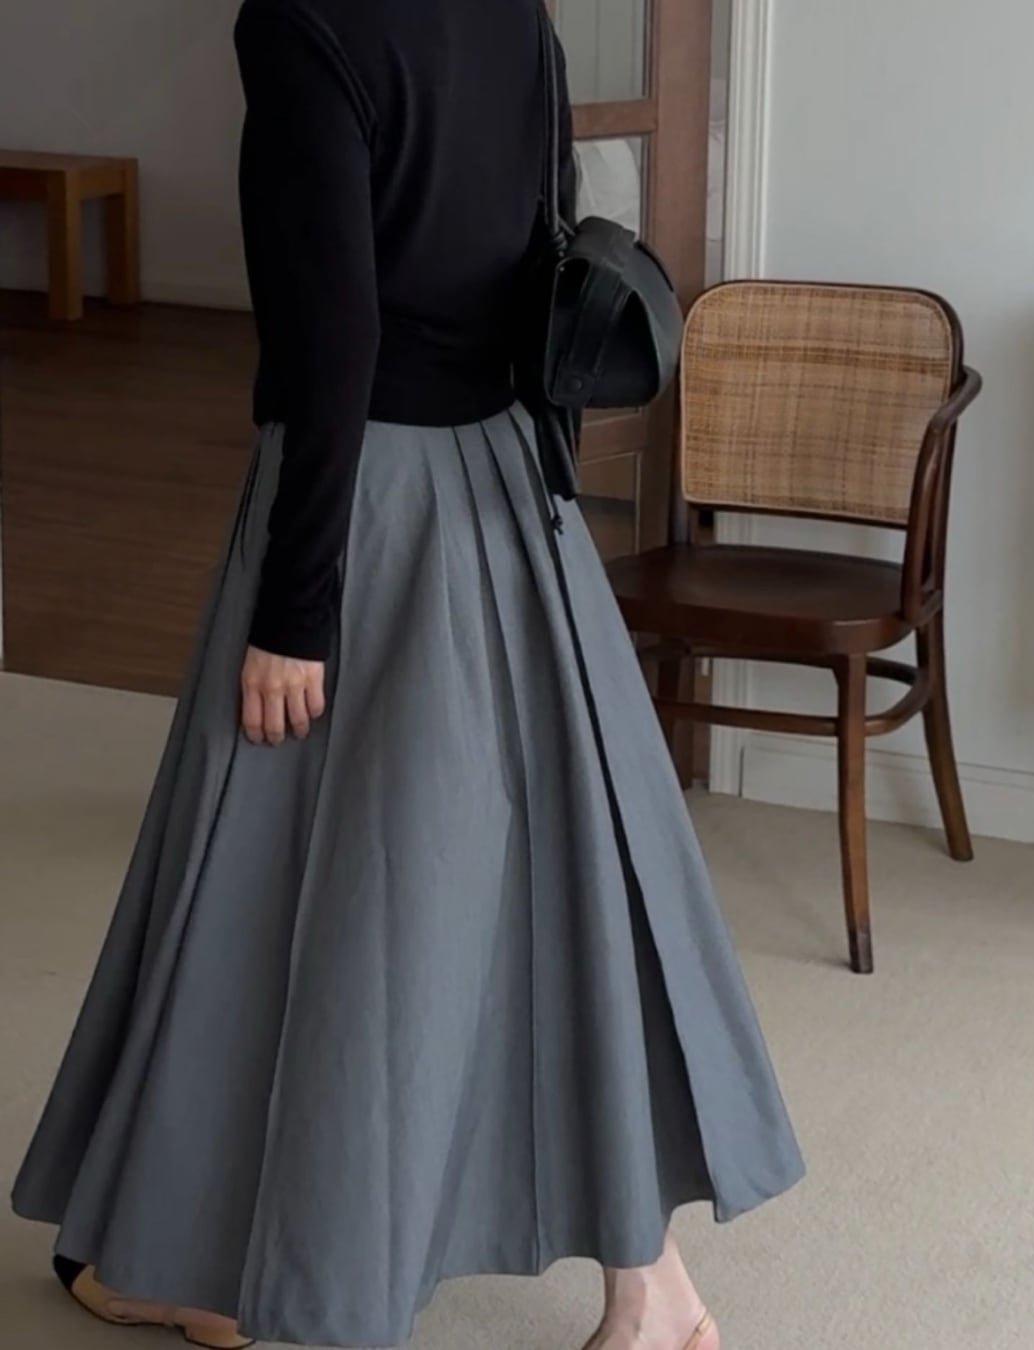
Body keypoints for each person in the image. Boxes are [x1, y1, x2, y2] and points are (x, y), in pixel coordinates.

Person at [10, 1, 804, 1346]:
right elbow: (546, 254)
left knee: (290, 894)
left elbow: (334, 335)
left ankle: (254, 1266)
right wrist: (544, 499)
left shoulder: (303, 21)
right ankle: (649, 1285)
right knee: (557, 889)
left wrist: (296, 610)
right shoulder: (511, 10)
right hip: (508, 488)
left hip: (367, 508)